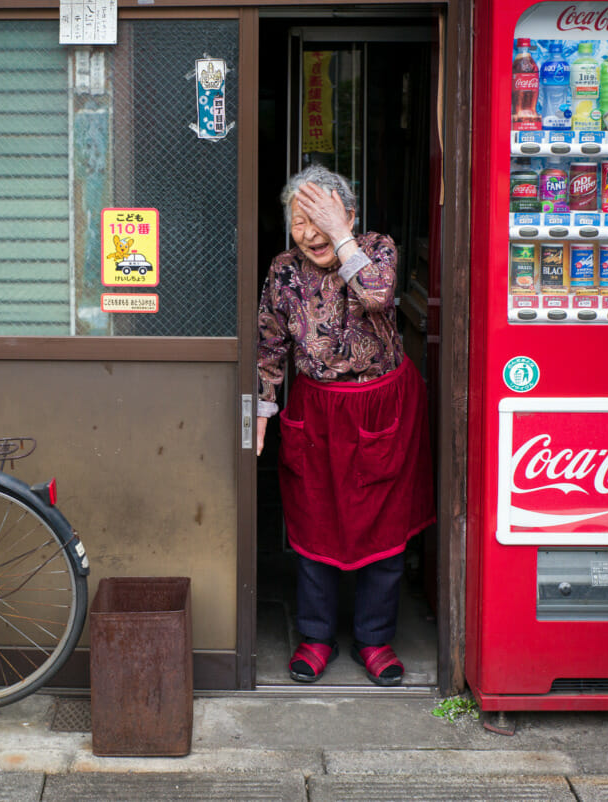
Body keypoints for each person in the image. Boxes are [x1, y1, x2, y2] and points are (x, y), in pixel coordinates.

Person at [256, 164, 434, 687]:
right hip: (317, 409)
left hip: (382, 406)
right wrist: (263, 409)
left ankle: (375, 640)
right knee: (314, 521)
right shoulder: (283, 270)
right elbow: (270, 342)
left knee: (384, 525)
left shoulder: (376, 250)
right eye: (298, 220)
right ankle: (314, 636)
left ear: (348, 215)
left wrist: (342, 235)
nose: (308, 233)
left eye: (318, 218)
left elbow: (378, 297)